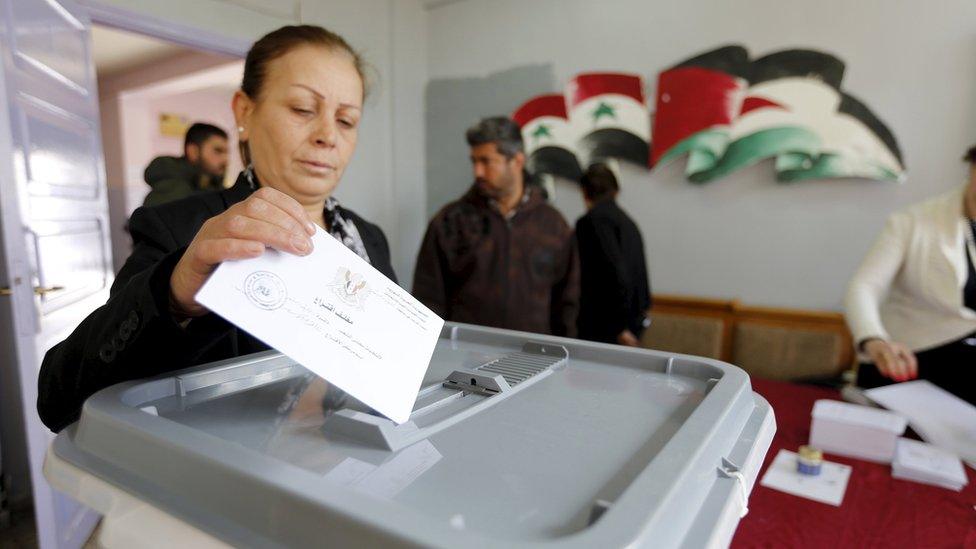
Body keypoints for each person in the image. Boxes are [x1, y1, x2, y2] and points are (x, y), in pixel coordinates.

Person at [38, 25, 395, 432]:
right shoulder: (179, 229)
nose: (328, 136)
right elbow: (57, 398)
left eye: (347, 120)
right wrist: (173, 294)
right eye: (301, 109)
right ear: (244, 111)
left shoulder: (369, 238)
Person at [412, 117, 579, 337]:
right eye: (474, 161)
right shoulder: (450, 222)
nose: (477, 172)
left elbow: (567, 305)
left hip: (533, 361)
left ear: (517, 161)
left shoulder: (553, 225)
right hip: (464, 361)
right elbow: (428, 302)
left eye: (486, 161)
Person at [845, 146, 976, 404]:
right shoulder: (911, 221)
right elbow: (863, 287)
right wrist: (874, 339)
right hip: (905, 363)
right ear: (971, 170)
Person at [575, 163, 651, 346]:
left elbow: (615, 273)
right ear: (616, 191)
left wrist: (619, 327)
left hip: (604, 329)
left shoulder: (590, 223)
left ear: (584, 193)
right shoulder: (629, 223)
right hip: (632, 326)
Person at [143, 122, 229, 207]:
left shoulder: (212, 187)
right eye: (218, 151)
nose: (225, 159)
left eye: (227, 152)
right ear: (193, 151)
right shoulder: (173, 194)